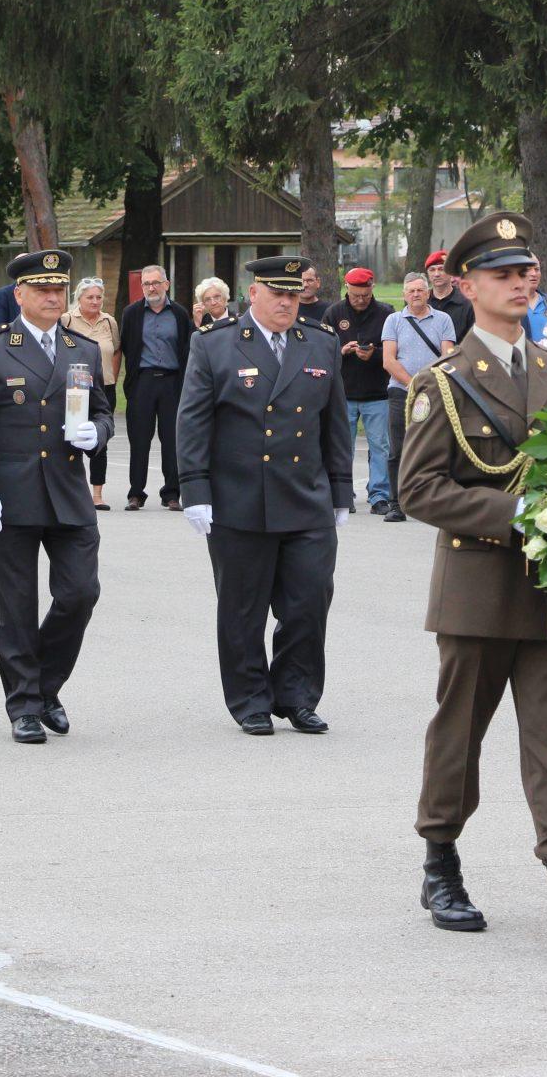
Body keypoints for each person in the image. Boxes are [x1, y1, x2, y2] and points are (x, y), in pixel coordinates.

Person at [396, 211, 547, 957]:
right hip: (477, 586)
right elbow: (418, 488)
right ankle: (440, 861)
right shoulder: (443, 382)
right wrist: (514, 513)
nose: (520, 284)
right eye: (502, 274)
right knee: (459, 733)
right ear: (466, 286)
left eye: (526, 273)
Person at [178, 254, 354, 736]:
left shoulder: (320, 342)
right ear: (253, 293)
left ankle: (297, 695)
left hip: (305, 496)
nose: (287, 303)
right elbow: (193, 421)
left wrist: (340, 489)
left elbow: (335, 422)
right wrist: (194, 488)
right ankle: (250, 698)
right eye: (277, 294)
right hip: (239, 497)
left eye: (294, 295)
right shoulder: (215, 344)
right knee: (243, 607)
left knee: (309, 601)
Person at [0, 248, 111, 744]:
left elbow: (103, 411)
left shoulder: (83, 348)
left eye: (58, 289)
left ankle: (45, 685)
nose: (51, 296)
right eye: (41, 288)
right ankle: (23, 703)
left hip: (67, 491)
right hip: (10, 494)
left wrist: (98, 433)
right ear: (19, 294)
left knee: (80, 593)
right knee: (16, 605)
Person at [380, 273, 457, 524]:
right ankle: (396, 504)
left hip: (435, 392)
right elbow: (389, 360)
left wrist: (429, 386)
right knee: (398, 449)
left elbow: (447, 357)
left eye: (420, 290)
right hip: (400, 392)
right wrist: (413, 384)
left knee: (436, 448)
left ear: (428, 293)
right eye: (411, 291)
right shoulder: (393, 320)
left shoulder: (444, 319)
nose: (416, 294)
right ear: (404, 294)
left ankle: (436, 503)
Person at [118, 265, 193, 510]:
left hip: (172, 382)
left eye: (156, 283)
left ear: (166, 285)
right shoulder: (131, 313)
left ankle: (171, 494)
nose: (151, 288)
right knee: (139, 439)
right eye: (146, 284)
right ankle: (136, 493)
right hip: (143, 382)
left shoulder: (179, 313)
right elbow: (127, 346)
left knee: (172, 439)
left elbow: (186, 348)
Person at [324, 267, 396, 514]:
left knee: (380, 447)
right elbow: (322, 348)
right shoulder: (334, 313)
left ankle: (379, 495)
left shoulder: (386, 313)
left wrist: (374, 354)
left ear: (372, 288)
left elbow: (394, 350)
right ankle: (344, 494)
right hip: (343, 393)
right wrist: (342, 351)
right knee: (343, 447)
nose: (361, 300)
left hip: (377, 392)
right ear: (347, 288)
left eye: (365, 295)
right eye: (356, 295)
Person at [60, 276, 121, 510]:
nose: (95, 301)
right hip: (75, 388)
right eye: (90, 297)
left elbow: (116, 351)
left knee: (100, 439)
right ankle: (71, 492)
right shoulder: (66, 320)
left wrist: (110, 377)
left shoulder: (109, 322)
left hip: (104, 388)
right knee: (71, 438)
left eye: (98, 297)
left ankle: (97, 494)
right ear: (79, 299)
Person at [424, 249, 475, 340]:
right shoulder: (423, 302)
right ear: (428, 274)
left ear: (450, 272)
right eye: (432, 270)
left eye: (441, 269)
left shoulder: (467, 303)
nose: (436, 274)